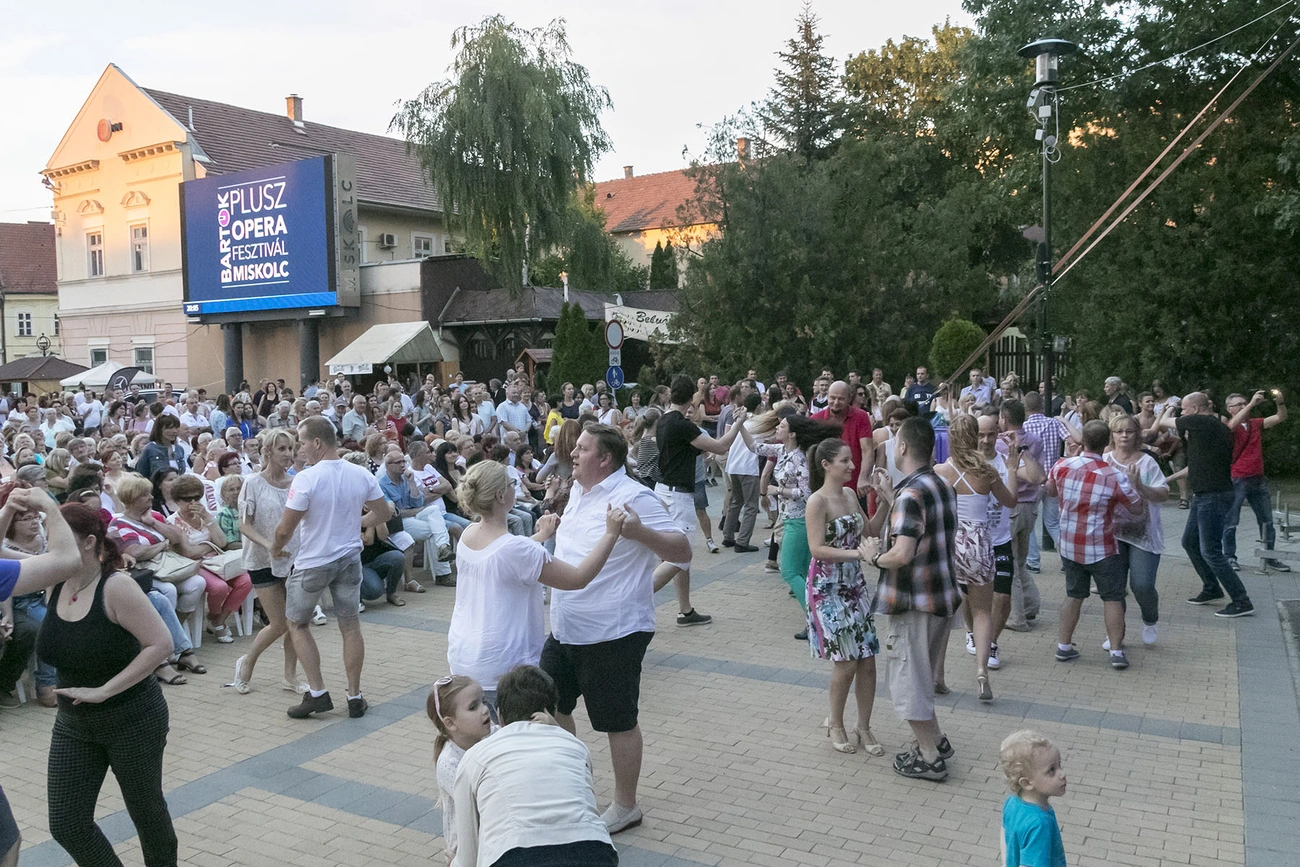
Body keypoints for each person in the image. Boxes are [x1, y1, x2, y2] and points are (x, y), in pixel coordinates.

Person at [543, 424, 692, 834]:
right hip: (565, 627)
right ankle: (573, 784)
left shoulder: (634, 496)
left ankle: (626, 805)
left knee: (616, 720)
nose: (573, 453)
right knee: (549, 706)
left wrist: (639, 531)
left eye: (582, 448)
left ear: (605, 459)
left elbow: (682, 551)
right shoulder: (578, 490)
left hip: (612, 632)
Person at [37, 503, 178, 867]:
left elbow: (160, 644)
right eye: (48, 534)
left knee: (146, 813)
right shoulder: (53, 580)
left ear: (88, 542)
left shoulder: (116, 586)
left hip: (133, 718)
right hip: (74, 724)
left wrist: (104, 691)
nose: (49, 544)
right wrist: (15, 507)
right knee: (67, 823)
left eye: (58, 535)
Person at [448, 460, 625, 706]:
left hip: (464, 655)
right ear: (500, 495)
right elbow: (578, 578)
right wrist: (611, 534)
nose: (515, 487)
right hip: (505, 665)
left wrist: (541, 536)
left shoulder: (469, 533)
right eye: (512, 484)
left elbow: (504, 556)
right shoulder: (517, 549)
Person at [860, 417, 960, 782]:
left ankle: (929, 756)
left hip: (913, 600)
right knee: (920, 674)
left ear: (902, 447)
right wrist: (890, 497)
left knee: (907, 680)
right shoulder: (940, 484)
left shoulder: (910, 495)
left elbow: (902, 554)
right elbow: (923, 524)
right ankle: (937, 740)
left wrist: (873, 556)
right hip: (941, 596)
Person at [273, 416, 389, 719]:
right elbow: (383, 512)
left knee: (297, 624)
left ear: (316, 442)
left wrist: (275, 547)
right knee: (350, 626)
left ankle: (318, 692)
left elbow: (286, 528)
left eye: (301, 442)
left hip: (314, 561)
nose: (299, 449)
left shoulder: (307, 478)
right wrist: (357, 522)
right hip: (349, 558)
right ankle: (354, 696)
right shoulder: (360, 473)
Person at [451, 665, 617, 867]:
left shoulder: (475, 757)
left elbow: (467, 857)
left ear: (499, 714)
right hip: (594, 850)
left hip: (513, 855)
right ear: (553, 710)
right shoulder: (575, 747)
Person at [804, 439, 882, 756]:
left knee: (868, 659)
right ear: (826, 465)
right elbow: (817, 549)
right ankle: (835, 723)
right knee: (846, 661)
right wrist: (858, 554)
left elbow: (870, 530)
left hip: (855, 586)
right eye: (845, 461)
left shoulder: (850, 495)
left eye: (851, 460)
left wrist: (886, 501)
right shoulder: (817, 501)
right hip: (827, 589)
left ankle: (864, 725)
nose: (852, 466)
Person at [652, 374, 751, 625]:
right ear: (692, 398)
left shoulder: (664, 420)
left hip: (663, 491)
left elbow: (680, 450)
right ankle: (635, 597)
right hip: (677, 496)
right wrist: (739, 422)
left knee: (677, 555)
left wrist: (698, 452)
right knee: (680, 555)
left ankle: (685, 611)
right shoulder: (682, 424)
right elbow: (721, 445)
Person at [1046, 420, 1143, 669]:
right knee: (1112, 598)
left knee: (1073, 595)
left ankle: (1064, 646)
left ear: (1083, 441)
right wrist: (1135, 484)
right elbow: (1136, 508)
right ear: (1107, 442)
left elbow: (1050, 491)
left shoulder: (1062, 465)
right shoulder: (1114, 476)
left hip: (1069, 545)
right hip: (1102, 547)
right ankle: (1116, 652)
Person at [935, 415, 1018, 703]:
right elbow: (1011, 501)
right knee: (982, 611)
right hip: (980, 542)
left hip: (950, 543)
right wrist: (1011, 469)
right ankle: (982, 672)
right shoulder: (986, 472)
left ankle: (938, 675)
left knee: (947, 612)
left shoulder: (940, 472)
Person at [1159, 392, 1256, 617]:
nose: (1183, 413)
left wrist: (1170, 407)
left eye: (1184, 409)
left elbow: (1162, 423)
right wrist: (1168, 479)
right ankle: (1211, 588)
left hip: (1213, 496)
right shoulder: (1210, 430)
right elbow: (1196, 466)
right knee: (1190, 542)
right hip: (1205, 495)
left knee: (1211, 550)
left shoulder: (1201, 421)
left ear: (1194, 409)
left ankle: (1242, 601)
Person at [230, 430, 307, 695]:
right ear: (268, 452)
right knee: (279, 623)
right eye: (282, 449)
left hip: (296, 558)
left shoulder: (297, 482)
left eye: (290, 448)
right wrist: (269, 545)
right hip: (262, 558)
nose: (288, 454)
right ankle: (247, 661)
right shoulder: (253, 483)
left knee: (296, 621)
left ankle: (290, 676)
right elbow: (244, 524)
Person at [1105, 414, 1169, 646]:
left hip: (1143, 534)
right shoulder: (1105, 460)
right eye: (1118, 431)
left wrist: (1139, 486)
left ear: (1137, 435)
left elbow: (1163, 493)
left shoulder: (1147, 462)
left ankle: (1150, 619)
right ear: (1112, 435)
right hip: (1112, 532)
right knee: (1115, 589)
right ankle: (1115, 635)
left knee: (1142, 585)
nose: (1124, 436)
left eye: (1129, 431)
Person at [167, 475, 254, 644]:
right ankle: (216, 620)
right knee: (219, 587)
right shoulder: (173, 522)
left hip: (215, 561)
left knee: (246, 581)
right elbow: (188, 553)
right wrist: (210, 545)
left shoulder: (205, 516)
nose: (193, 502)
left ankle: (218, 620)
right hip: (195, 565)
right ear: (177, 500)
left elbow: (222, 542)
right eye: (187, 499)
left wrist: (207, 518)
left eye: (197, 498)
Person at [431, 675, 494, 867]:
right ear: (450, 723)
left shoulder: (494, 735)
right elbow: (480, 802)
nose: (485, 709)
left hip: (491, 835)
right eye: (473, 707)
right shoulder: (449, 763)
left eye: (484, 701)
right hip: (467, 846)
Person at [1224, 390, 1289, 572]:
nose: (1243, 406)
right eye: (1239, 404)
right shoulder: (1229, 424)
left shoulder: (1255, 423)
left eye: (1244, 403)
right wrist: (1252, 404)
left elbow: (1280, 417)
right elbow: (1231, 427)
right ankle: (1229, 557)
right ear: (1229, 409)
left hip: (1258, 478)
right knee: (1231, 521)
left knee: (1266, 521)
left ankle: (1269, 556)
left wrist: (1280, 402)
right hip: (1237, 478)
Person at [999, 729, 1069, 867]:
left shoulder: (1012, 803)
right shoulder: (1039, 823)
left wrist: (1006, 862)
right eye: (1051, 770)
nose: (1062, 774)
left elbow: (1004, 831)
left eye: (1059, 765)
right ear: (1027, 783)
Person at [812, 381, 875, 505]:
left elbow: (867, 450)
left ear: (849, 398)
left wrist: (863, 478)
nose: (836, 402)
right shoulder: (816, 420)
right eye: (832, 398)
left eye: (841, 399)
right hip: (826, 488)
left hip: (855, 486)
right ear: (827, 396)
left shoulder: (861, 416)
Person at [135, 415, 186, 482]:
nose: (174, 431)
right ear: (159, 429)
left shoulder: (179, 449)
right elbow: (141, 474)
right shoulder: (150, 449)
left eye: (176, 428)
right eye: (170, 428)